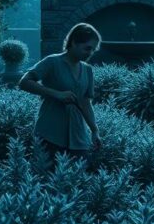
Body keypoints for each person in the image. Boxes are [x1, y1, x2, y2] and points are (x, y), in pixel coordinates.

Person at [19, 22, 102, 162]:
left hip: (78, 137)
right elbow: (24, 82)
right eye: (87, 48)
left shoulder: (87, 70)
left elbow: (85, 103)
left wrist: (94, 131)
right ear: (74, 42)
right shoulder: (52, 62)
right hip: (50, 133)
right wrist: (56, 94)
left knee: (78, 174)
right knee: (46, 174)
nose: (90, 53)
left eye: (93, 50)